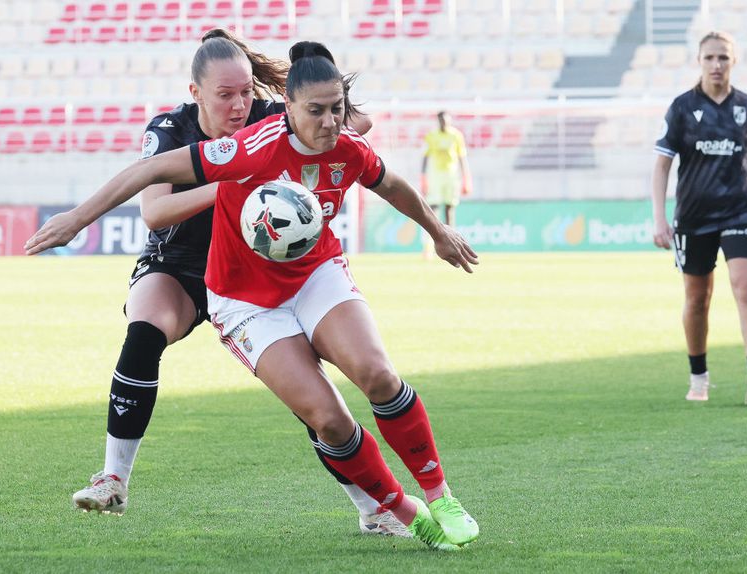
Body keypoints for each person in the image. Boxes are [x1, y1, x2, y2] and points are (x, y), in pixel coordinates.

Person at [27, 41, 481, 550]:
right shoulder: (242, 146)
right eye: (316, 111)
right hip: (234, 294)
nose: (330, 122)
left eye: (336, 109)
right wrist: (77, 219)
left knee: (376, 374)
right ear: (286, 107)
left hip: (313, 275)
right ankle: (402, 511)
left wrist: (438, 232)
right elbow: (149, 179)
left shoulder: (337, 141)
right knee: (326, 418)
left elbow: (389, 181)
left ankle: (437, 498)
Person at [652, 31, 747, 406]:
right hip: (694, 216)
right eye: (709, 57)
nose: (716, 64)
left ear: (733, 61)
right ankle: (699, 378)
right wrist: (659, 218)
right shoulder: (682, 108)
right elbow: (662, 165)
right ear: (699, 61)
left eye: (723, 57)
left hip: (741, 209)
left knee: (746, 286)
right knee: (697, 299)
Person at [421, 111, 470, 228]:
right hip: (435, 175)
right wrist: (423, 177)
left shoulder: (456, 136)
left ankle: (450, 234)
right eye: (441, 120)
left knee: (449, 207)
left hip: (451, 175)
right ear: (438, 121)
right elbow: (425, 157)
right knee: (433, 206)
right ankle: (433, 235)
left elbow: (462, 157)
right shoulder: (431, 136)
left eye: (446, 120)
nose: (444, 123)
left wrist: (466, 177)